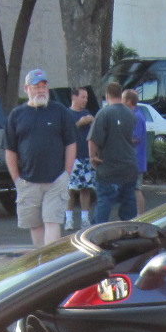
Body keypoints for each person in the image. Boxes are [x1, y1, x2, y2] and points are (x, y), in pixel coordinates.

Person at [4, 68, 77, 248]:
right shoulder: (16, 115)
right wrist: (16, 179)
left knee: (52, 222)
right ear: (26, 89)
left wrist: (66, 173)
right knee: (35, 225)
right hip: (27, 181)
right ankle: (41, 263)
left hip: (55, 180)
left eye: (44, 86)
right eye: (36, 86)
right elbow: (10, 150)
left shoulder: (59, 111)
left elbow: (71, 144)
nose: (41, 90)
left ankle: (51, 265)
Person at [88, 81, 138, 223]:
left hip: (109, 167)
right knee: (129, 203)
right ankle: (130, 233)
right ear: (120, 93)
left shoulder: (104, 113)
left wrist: (93, 157)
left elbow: (92, 140)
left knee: (104, 202)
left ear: (107, 95)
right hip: (129, 166)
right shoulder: (130, 114)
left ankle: (96, 234)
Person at [65, 86, 96, 231]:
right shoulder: (67, 113)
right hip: (72, 158)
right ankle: (69, 219)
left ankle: (85, 220)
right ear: (74, 97)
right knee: (70, 190)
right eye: (83, 97)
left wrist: (93, 122)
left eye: (87, 98)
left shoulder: (87, 113)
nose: (85, 100)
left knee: (86, 189)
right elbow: (64, 133)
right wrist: (79, 123)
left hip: (86, 157)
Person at [124, 88, 148, 215]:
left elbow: (135, 138)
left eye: (123, 99)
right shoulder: (135, 115)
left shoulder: (137, 117)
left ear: (129, 101)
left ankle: (141, 215)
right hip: (134, 159)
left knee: (136, 189)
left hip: (136, 160)